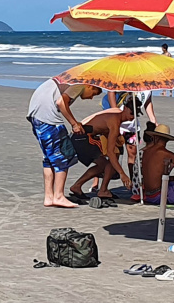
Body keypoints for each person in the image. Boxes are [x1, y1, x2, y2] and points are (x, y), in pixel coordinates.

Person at [27, 78, 101, 208]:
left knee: (49, 159)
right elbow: (61, 103)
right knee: (64, 156)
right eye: (94, 94)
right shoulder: (79, 84)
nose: (91, 98)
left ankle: (49, 197)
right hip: (48, 120)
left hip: (36, 117)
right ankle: (59, 196)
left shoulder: (66, 80)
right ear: (90, 86)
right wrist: (74, 124)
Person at [68, 102, 137, 201]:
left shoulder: (115, 118)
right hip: (81, 138)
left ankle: (80, 186)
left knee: (105, 164)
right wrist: (122, 174)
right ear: (125, 108)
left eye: (136, 115)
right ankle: (101, 189)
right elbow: (110, 152)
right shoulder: (115, 122)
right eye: (131, 113)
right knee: (107, 164)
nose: (133, 117)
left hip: (82, 138)